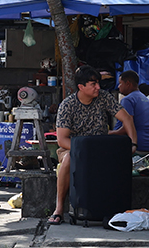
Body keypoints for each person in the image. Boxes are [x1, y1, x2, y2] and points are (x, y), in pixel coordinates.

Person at [49, 65, 135, 224]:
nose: (98, 87)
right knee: (68, 160)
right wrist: (83, 150)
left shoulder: (104, 97)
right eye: (93, 84)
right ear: (81, 87)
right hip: (73, 148)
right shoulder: (67, 105)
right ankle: (59, 208)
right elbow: (62, 140)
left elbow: (127, 119)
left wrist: (133, 143)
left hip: (101, 147)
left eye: (98, 83)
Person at [115, 70, 149, 153]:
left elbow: (127, 127)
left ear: (128, 83)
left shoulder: (128, 100)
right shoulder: (144, 97)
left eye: (120, 83)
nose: (119, 86)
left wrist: (109, 133)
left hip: (136, 146)